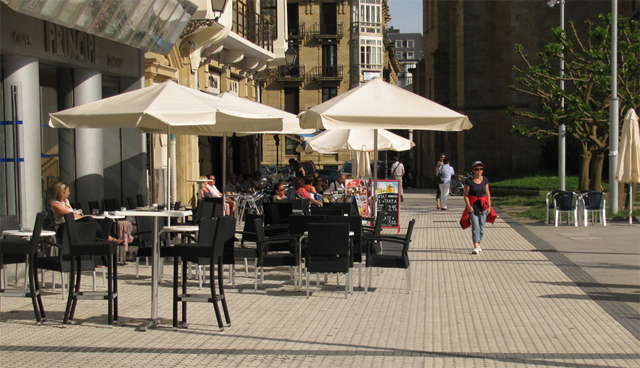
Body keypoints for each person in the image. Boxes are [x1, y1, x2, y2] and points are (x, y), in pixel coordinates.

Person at [460, 161, 497, 254]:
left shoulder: (485, 180)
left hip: (483, 205)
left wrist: (489, 206)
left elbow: (488, 193)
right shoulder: (469, 181)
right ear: (473, 170)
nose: (479, 171)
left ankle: (478, 243)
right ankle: (476, 245)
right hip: (473, 205)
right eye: (477, 169)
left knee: (481, 227)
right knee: (475, 226)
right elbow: (466, 195)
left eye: (481, 169)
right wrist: (468, 206)